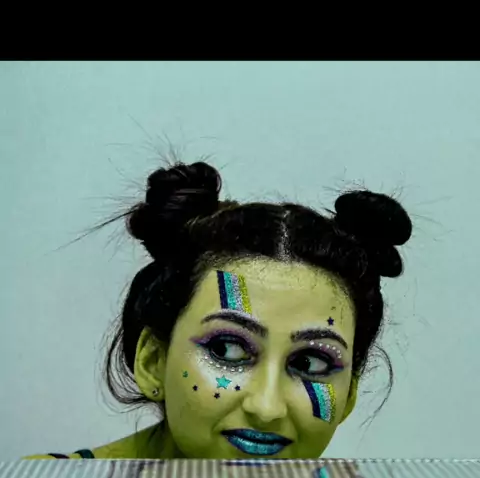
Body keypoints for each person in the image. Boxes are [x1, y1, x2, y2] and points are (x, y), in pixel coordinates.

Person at [26, 157, 412, 460]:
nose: (267, 407)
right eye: (226, 349)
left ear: (349, 396)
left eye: (312, 363)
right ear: (153, 360)